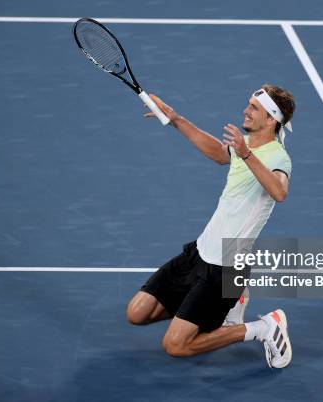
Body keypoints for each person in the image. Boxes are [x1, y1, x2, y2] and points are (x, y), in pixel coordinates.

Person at [126, 84, 295, 368]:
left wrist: (246, 155)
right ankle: (226, 303)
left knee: (175, 345)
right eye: (249, 104)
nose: (246, 110)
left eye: (254, 108)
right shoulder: (246, 145)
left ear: (271, 120)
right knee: (137, 314)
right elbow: (219, 153)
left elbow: (279, 193)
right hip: (199, 253)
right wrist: (176, 119)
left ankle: (263, 328)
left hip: (226, 268)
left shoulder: (278, 157)